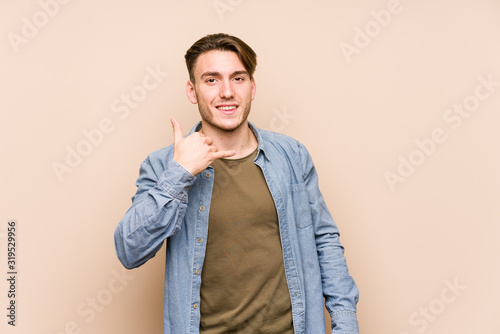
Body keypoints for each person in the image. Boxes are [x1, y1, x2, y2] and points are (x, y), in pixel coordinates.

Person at [114, 33, 359, 334]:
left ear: (252, 87)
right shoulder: (164, 165)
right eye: (212, 80)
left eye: (238, 78)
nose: (227, 92)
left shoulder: (292, 155)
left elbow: (324, 241)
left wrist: (345, 323)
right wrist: (180, 173)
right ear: (192, 91)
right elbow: (129, 250)